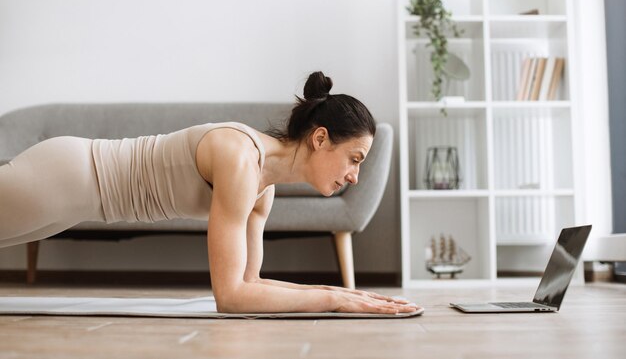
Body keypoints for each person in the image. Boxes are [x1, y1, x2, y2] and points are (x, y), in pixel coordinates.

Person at [0, 71, 419, 315]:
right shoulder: (241, 160)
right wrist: (331, 299)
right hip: (68, 176)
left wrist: (344, 294)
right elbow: (230, 297)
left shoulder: (263, 189)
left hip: (77, 202)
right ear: (321, 138)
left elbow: (249, 285)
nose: (354, 177)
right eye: (355, 158)